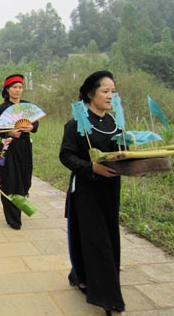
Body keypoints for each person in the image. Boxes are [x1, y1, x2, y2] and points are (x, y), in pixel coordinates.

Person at [59, 71, 125, 315]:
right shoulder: (77, 123)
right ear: (91, 94)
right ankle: (108, 298)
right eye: (105, 91)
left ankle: (81, 275)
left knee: (108, 237)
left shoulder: (113, 122)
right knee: (97, 241)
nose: (110, 96)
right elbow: (66, 155)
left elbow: (120, 151)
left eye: (113, 92)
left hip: (110, 189)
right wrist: (91, 168)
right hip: (86, 189)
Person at [0, 74, 38, 230]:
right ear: (7, 90)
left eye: (20, 87)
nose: (17, 90)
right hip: (8, 148)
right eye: (14, 87)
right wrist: (8, 133)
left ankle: (18, 205)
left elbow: (35, 123)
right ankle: (13, 218)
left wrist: (31, 127)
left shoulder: (27, 106)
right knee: (10, 180)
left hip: (24, 147)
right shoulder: (3, 108)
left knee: (24, 179)